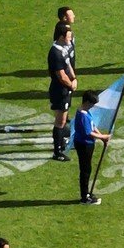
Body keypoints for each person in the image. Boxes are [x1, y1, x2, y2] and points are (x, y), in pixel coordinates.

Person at [71, 89, 111, 205]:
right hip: (84, 144)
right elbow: (88, 132)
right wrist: (102, 137)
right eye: (92, 104)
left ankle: (87, 193)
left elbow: (93, 126)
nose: (93, 106)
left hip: (87, 143)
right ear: (87, 102)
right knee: (85, 170)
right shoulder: (82, 115)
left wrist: (101, 136)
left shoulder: (86, 112)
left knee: (87, 169)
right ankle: (84, 197)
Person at [48, 22, 76, 162]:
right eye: (68, 36)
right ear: (61, 36)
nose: (70, 39)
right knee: (60, 121)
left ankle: (63, 140)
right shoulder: (55, 53)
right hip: (60, 90)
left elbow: (68, 64)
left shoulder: (64, 48)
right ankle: (57, 151)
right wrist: (71, 84)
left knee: (64, 118)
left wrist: (74, 78)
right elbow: (61, 75)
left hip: (66, 88)